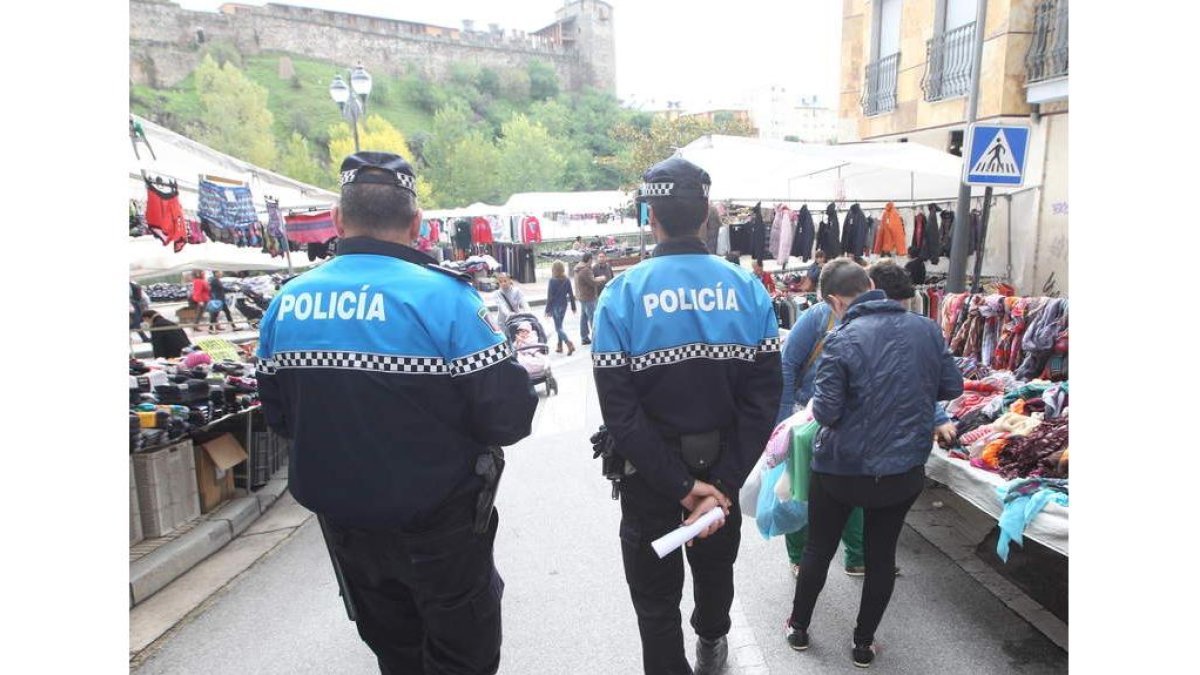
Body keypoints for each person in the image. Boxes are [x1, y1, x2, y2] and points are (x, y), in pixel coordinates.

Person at [256, 151, 538, 675]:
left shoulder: (286, 303)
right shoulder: (446, 299)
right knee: (462, 657)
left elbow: (278, 418)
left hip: (347, 530)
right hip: (441, 529)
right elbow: (508, 418)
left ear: (338, 221)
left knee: (397, 655)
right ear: (416, 224)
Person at [592, 156, 782, 675]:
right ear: (707, 216)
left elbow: (619, 411)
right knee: (716, 572)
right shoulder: (748, 290)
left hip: (650, 479)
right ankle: (713, 644)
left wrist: (678, 485)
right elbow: (764, 399)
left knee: (655, 606)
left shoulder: (621, 294)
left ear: (650, 216)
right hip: (722, 469)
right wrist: (719, 483)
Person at [785, 259, 963, 668]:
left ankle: (798, 628)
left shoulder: (842, 339)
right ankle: (863, 644)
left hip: (841, 471)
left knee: (818, 548)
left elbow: (826, 413)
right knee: (881, 557)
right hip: (903, 472)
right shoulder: (926, 328)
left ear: (834, 301)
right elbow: (951, 386)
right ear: (870, 284)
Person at [545, 260, 577, 355]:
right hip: (564, 304)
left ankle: (568, 343)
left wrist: (547, 309)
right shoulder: (567, 280)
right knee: (560, 326)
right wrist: (573, 307)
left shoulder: (552, 280)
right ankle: (559, 346)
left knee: (558, 327)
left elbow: (550, 296)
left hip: (555, 305)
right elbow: (571, 294)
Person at [574, 252, 600, 345]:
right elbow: (592, 282)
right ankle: (596, 337)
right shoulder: (585, 270)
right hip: (588, 296)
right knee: (592, 317)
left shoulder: (578, 268)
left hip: (582, 296)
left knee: (584, 317)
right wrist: (601, 279)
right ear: (589, 260)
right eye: (592, 260)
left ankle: (584, 337)